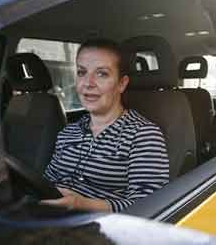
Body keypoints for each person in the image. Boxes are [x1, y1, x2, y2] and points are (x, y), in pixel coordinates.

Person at [42, 38, 169, 212]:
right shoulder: (68, 132)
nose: (88, 83)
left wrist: (82, 205)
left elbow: (148, 206)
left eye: (102, 74)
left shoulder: (143, 135)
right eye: (81, 72)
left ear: (121, 84)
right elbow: (47, 182)